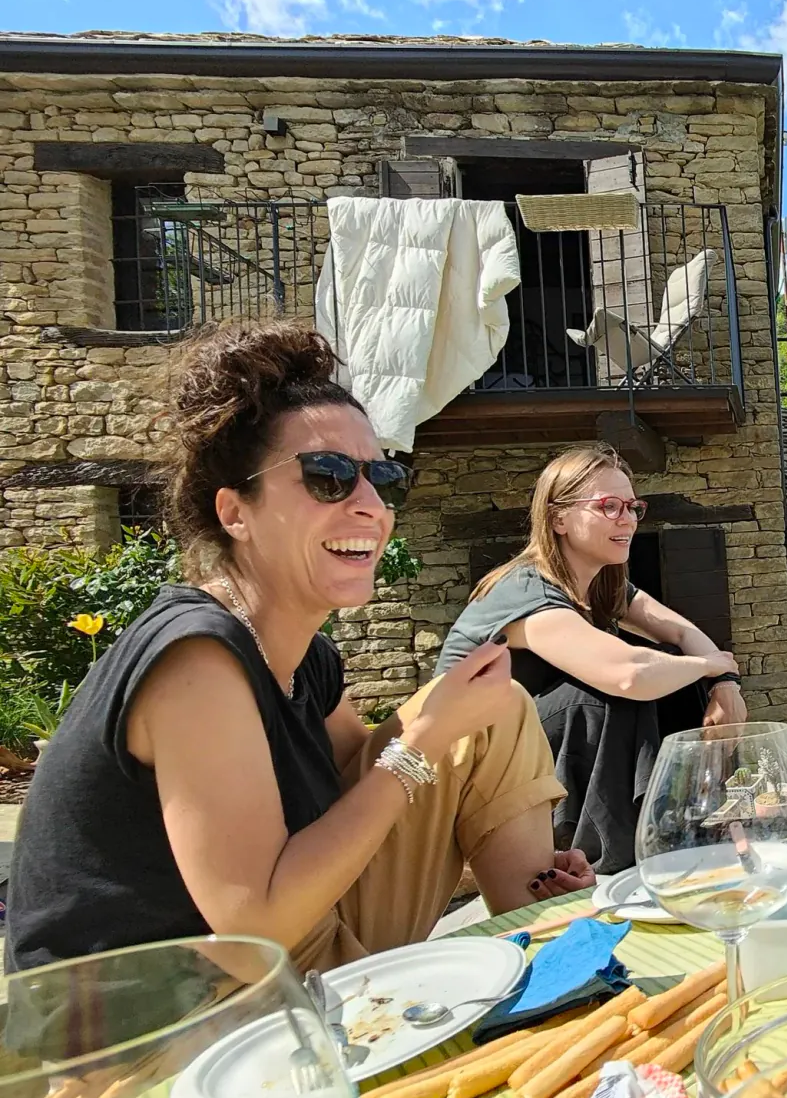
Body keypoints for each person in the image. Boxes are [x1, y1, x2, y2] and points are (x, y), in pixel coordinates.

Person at [5, 324, 585, 973]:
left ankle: (542, 939)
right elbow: (257, 921)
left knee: (495, 708)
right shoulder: (197, 663)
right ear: (235, 512)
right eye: (329, 475)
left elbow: (365, 783)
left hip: (282, 948)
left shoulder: (303, 656)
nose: (372, 506)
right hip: (155, 1018)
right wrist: (422, 743)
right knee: (446, 726)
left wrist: (457, 763)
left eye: (384, 476)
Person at [437, 443, 745, 873]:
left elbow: (680, 631)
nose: (628, 520)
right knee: (605, 693)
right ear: (558, 517)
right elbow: (626, 675)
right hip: (472, 774)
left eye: (633, 507)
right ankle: (610, 858)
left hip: (527, 758)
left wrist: (722, 685)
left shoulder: (600, 584)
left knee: (672, 663)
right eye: (609, 506)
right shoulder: (527, 590)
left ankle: (688, 821)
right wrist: (715, 665)